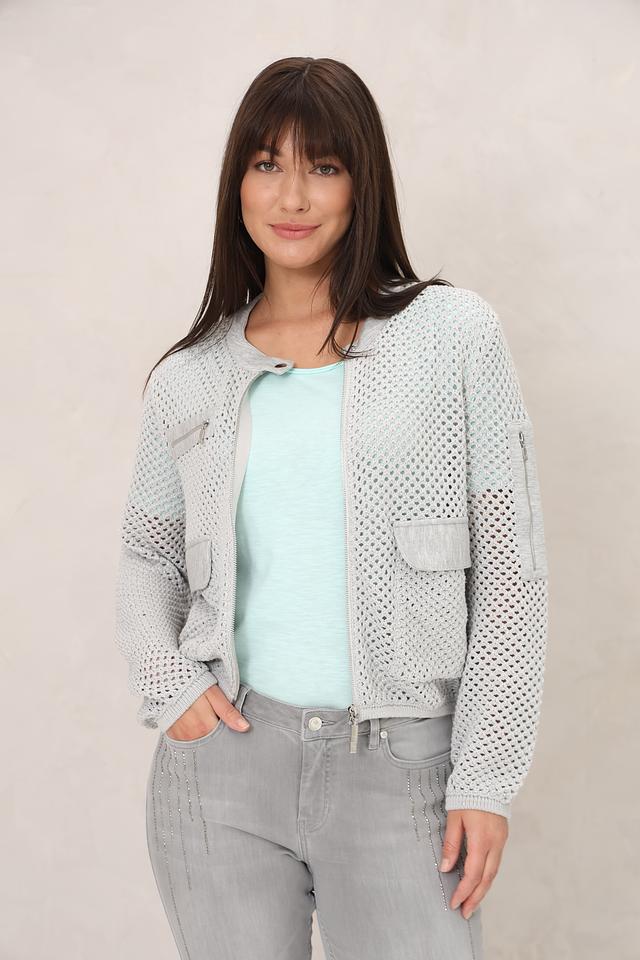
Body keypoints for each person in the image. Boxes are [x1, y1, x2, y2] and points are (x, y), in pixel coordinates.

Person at [115, 56, 549, 960]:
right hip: (223, 775)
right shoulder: (190, 377)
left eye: (324, 165)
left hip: (403, 773)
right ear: (237, 183)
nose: (293, 195)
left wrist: (485, 777)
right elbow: (147, 556)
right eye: (267, 163)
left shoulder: (452, 336)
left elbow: (511, 573)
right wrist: (172, 685)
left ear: (363, 183)